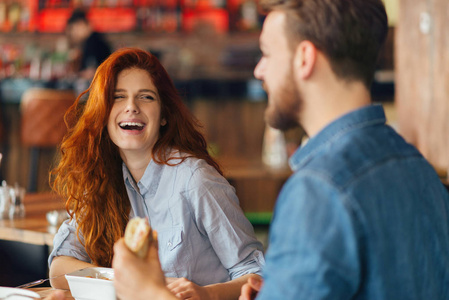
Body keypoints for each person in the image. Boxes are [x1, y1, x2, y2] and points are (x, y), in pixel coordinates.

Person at [65, 0, 449, 299]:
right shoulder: (419, 169)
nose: (258, 70)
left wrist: (148, 293)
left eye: (266, 53)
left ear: (304, 59)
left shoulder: (319, 192)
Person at [48, 48, 264, 300]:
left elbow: (258, 274)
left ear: (163, 115)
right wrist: (129, 280)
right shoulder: (102, 178)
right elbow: (58, 269)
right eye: (118, 97)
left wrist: (206, 294)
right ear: (103, 113)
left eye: (146, 97)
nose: (131, 107)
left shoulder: (195, 180)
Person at [66, 9, 112, 95]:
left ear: (81, 24)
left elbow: (92, 72)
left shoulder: (94, 41)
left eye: (73, 29)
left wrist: (77, 75)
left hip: (100, 91)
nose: (72, 34)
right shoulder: (91, 41)